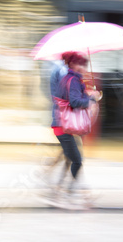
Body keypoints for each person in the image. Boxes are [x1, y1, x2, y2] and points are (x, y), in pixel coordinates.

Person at [47, 51, 101, 209]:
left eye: (84, 65)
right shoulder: (72, 80)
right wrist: (91, 99)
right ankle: (67, 193)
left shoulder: (68, 79)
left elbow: (67, 98)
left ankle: (60, 192)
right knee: (77, 160)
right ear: (73, 65)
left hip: (62, 126)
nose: (83, 68)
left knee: (71, 159)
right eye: (81, 65)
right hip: (65, 127)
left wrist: (86, 93)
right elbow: (76, 102)